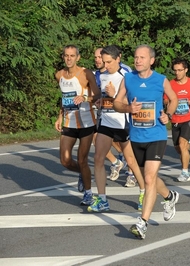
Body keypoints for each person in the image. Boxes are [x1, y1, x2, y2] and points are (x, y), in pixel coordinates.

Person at [113, 44, 179, 239]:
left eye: (142, 57)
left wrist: (168, 114)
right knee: (148, 176)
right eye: (135, 57)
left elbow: (173, 99)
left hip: (157, 136)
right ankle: (169, 196)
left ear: (151, 60)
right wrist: (128, 109)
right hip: (136, 137)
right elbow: (117, 102)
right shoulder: (128, 79)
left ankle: (142, 222)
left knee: (149, 179)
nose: (138, 60)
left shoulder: (161, 80)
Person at [88, 45, 145, 212]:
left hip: (123, 123)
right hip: (106, 122)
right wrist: (100, 100)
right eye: (104, 62)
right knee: (98, 159)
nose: (106, 66)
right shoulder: (102, 75)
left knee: (131, 161)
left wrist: (114, 95)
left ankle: (143, 192)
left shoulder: (127, 75)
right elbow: (104, 97)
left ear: (118, 58)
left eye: (109, 62)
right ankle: (102, 199)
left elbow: (133, 103)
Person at [54, 44, 100, 205]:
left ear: (78, 57)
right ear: (63, 57)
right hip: (69, 122)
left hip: (86, 122)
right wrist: (60, 117)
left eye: (72, 55)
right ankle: (84, 173)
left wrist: (86, 98)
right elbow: (64, 98)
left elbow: (98, 95)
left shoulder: (85, 74)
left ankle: (88, 194)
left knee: (82, 159)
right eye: (66, 55)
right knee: (65, 161)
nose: (69, 58)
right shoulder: (59, 75)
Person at [165, 58, 190, 182]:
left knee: (182, 144)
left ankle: (185, 173)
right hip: (175, 119)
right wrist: (168, 103)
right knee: (178, 148)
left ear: (186, 70)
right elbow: (165, 99)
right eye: (175, 70)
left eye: (180, 70)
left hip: (189, 118)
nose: (177, 73)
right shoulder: (170, 84)